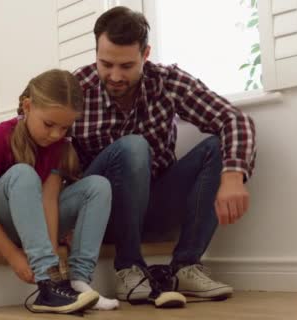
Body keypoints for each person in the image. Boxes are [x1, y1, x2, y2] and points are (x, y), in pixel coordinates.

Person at [71, 6, 256, 308]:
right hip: (97, 213)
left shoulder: (167, 82)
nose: (115, 76)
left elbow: (234, 120)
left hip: (153, 204)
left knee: (217, 147)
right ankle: (128, 266)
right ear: (96, 53)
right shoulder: (77, 88)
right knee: (133, 146)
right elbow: (36, 138)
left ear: (145, 55)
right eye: (106, 64)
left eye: (127, 66)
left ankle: (186, 266)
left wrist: (234, 176)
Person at [0, 69, 117, 314]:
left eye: (64, 128)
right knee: (24, 174)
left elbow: (49, 202)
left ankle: (77, 283)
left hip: (30, 225)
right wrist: (15, 257)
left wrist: (50, 256)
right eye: (49, 124)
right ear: (27, 106)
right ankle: (46, 286)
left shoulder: (58, 146)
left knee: (98, 186)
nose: (56, 134)